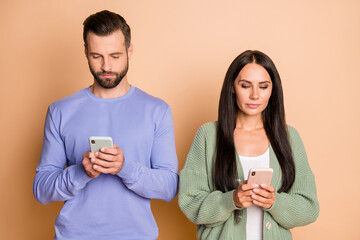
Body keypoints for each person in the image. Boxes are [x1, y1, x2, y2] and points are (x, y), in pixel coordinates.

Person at [33, 10, 178, 240]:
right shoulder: (60, 111)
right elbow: (41, 189)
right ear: (85, 52)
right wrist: (82, 172)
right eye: (96, 56)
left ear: (130, 50)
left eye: (115, 55)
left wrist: (124, 167)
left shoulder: (157, 111)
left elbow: (170, 187)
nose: (106, 66)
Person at [178, 50, 319, 239]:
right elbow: (190, 202)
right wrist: (231, 200)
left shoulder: (289, 137)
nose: (255, 95)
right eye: (245, 86)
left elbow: (309, 207)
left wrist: (274, 202)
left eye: (263, 86)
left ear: (273, 90)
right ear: (232, 87)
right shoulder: (208, 135)